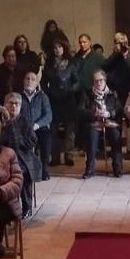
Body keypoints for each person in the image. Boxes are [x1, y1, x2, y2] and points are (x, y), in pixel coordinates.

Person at [42, 38, 80, 167]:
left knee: (70, 129)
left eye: (59, 47)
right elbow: (43, 82)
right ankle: (55, 156)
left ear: (64, 49)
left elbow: (77, 81)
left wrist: (71, 90)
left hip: (68, 99)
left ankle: (69, 155)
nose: (57, 50)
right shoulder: (49, 64)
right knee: (53, 129)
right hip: (53, 99)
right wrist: (47, 93)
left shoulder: (71, 63)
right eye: (55, 48)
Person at [79, 69, 122, 178]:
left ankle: (117, 168)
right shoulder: (87, 94)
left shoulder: (113, 93)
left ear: (105, 80)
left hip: (109, 122)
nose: (98, 83)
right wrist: (94, 113)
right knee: (92, 137)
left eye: (101, 80)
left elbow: (119, 109)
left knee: (115, 135)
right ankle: (89, 169)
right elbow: (80, 110)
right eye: (96, 81)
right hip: (94, 123)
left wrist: (109, 113)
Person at [2, 92, 37, 216]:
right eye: (10, 104)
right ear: (5, 105)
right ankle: (9, 206)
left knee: (22, 173)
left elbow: (33, 140)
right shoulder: (2, 121)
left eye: (17, 104)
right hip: (6, 158)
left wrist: (20, 141)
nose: (13, 107)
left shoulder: (25, 121)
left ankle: (26, 205)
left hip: (24, 156)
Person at [20, 70, 53, 180]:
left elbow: (48, 115)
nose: (29, 81)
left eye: (33, 79)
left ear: (37, 83)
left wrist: (37, 124)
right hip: (23, 128)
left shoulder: (43, 97)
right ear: (23, 81)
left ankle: (44, 170)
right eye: (27, 79)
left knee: (46, 138)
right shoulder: (18, 97)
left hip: (39, 127)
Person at [103, 31, 130, 106]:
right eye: (118, 43)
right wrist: (116, 54)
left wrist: (124, 56)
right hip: (115, 91)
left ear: (127, 43)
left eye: (123, 42)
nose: (121, 45)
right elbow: (105, 68)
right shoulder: (113, 56)